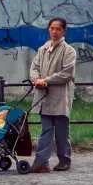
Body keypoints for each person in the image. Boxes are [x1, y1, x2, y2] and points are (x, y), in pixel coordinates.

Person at [28, 17, 76, 174]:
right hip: (44, 97)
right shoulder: (43, 49)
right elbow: (34, 67)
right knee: (46, 130)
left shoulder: (68, 51)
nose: (54, 31)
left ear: (64, 31)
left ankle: (64, 160)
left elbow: (67, 73)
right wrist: (36, 80)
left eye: (58, 29)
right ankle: (42, 162)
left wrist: (46, 80)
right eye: (52, 28)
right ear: (48, 29)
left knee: (62, 132)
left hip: (60, 96)